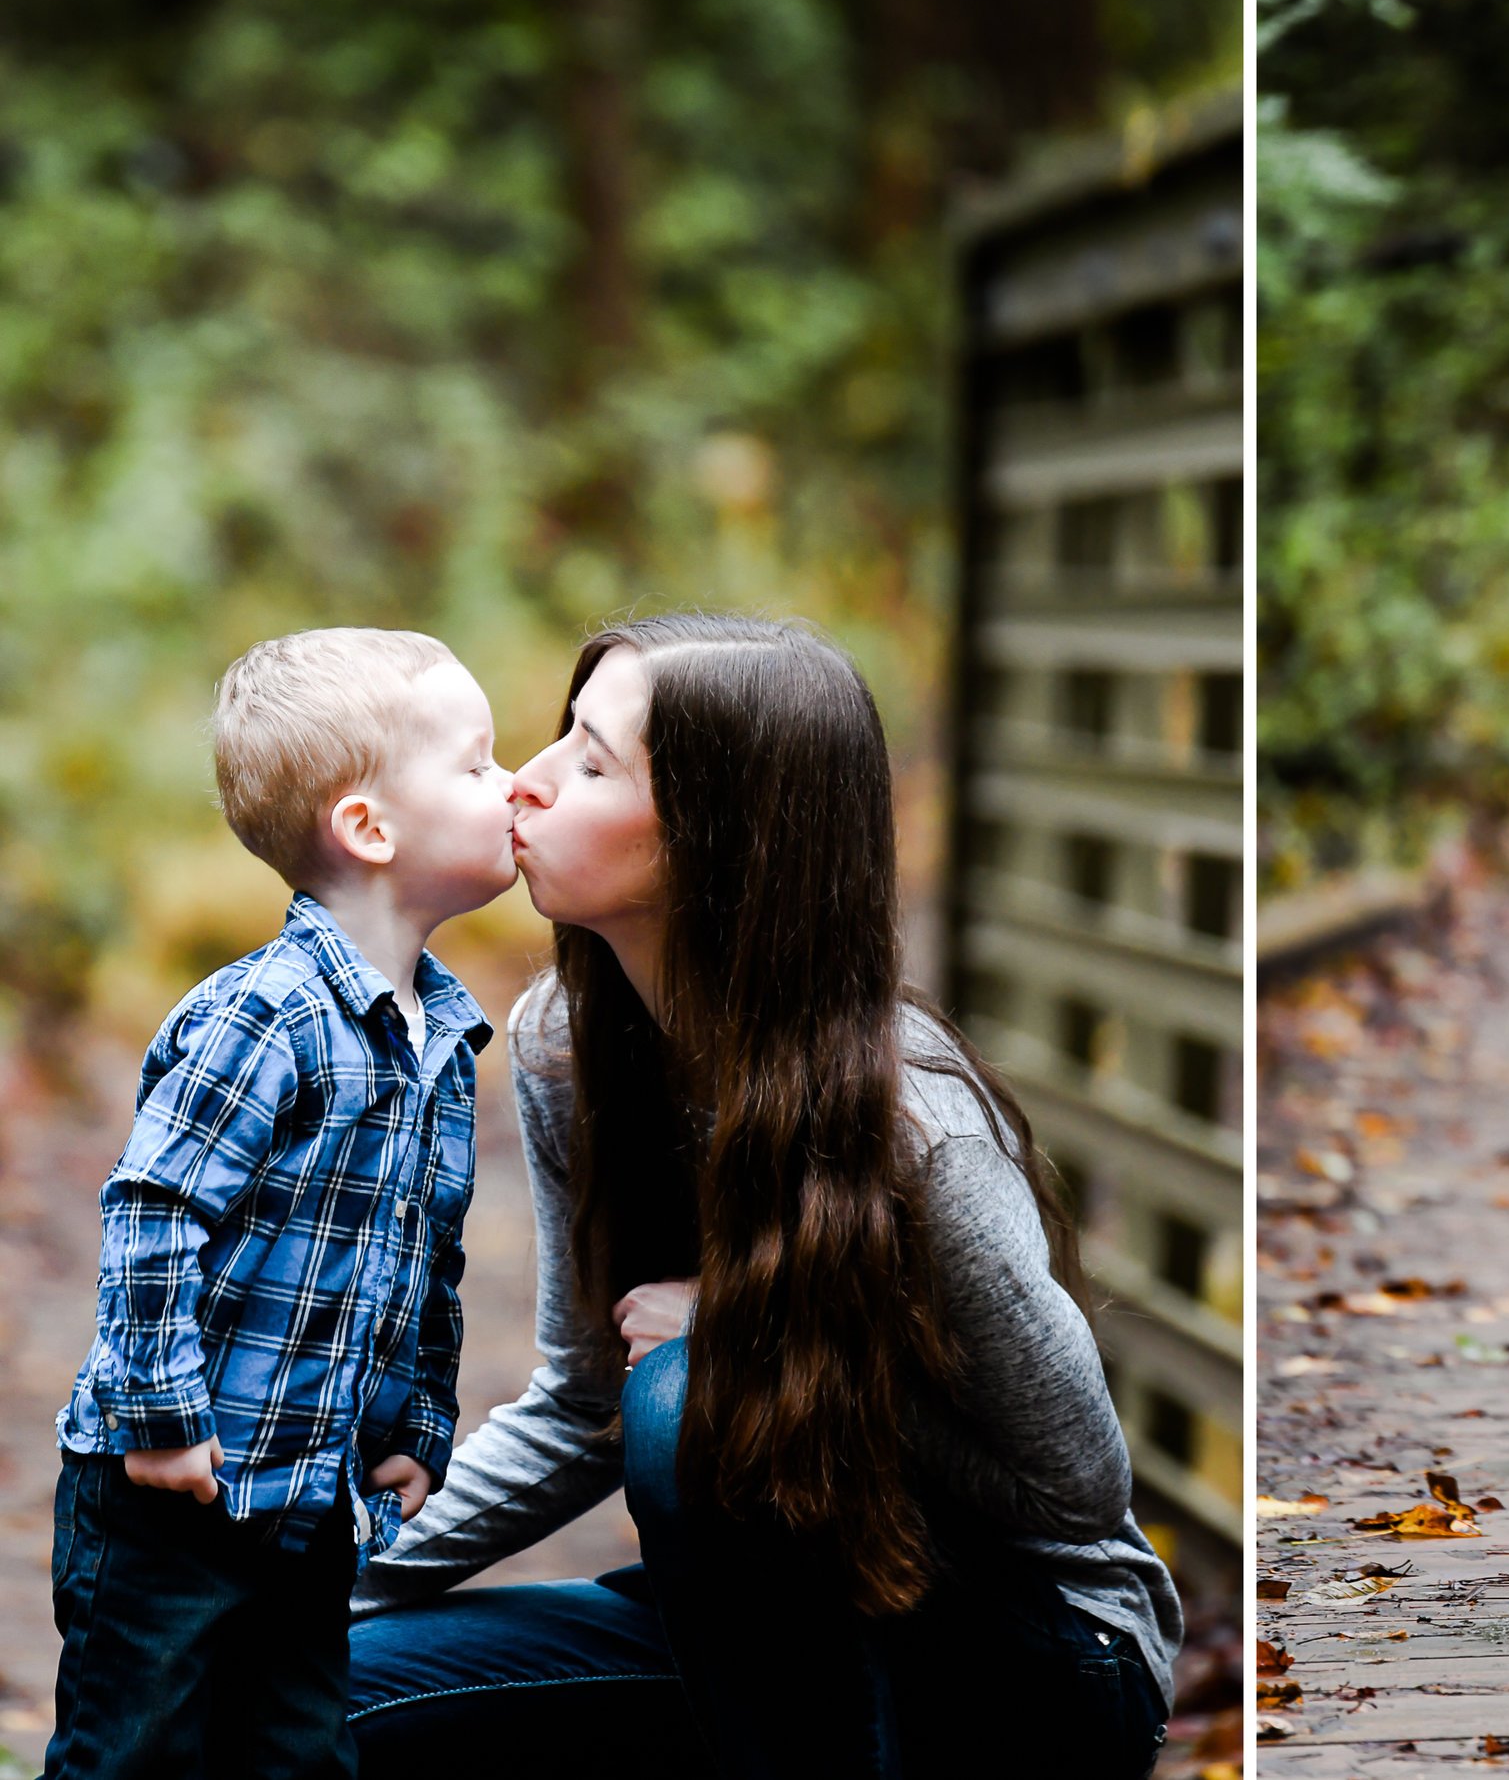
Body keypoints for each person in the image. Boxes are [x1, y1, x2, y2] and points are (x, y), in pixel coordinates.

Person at [344, 613, 1178, 1779]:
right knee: (313, 1695)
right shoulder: (565, 1050)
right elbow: (583, 1402)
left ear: (717, 840)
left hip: (1033, 1654)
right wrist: (317, 1582)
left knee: (692, 1404)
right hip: (763, 1635)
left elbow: (1076, 1487)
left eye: (589, 765)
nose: (522, 787)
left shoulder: (912, 1127)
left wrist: (760, 1332)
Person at [47, 629, 514, 1779]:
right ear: (368, 828)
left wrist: (415, 1425)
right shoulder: (267, 1016)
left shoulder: (442, 1035)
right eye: (477, 764)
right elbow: (153, 1211)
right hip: (176, 1491)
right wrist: (161, 1418)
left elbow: (418, 1256)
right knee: (137, 1748)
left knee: (299, 1751)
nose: (516, 785)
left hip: (311, 1493)